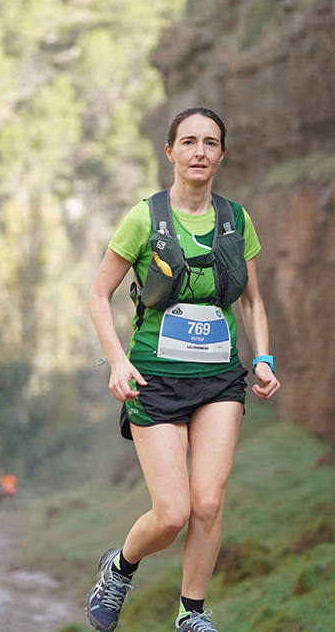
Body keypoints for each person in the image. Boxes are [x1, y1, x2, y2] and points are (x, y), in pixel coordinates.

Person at [85, 107, 280, 632]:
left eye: (210, 143)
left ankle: (190, 615)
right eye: (188, 142)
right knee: (171, 513)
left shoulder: (237, 221)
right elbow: (99, 294)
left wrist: (262, 357)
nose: (199, 152)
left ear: (222, 154)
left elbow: (253, 301)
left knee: (208, 502)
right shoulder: (144, 217)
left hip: (219, 379)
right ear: (170, 152)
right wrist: (118, 362)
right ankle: (119, 568)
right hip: (153, 377)